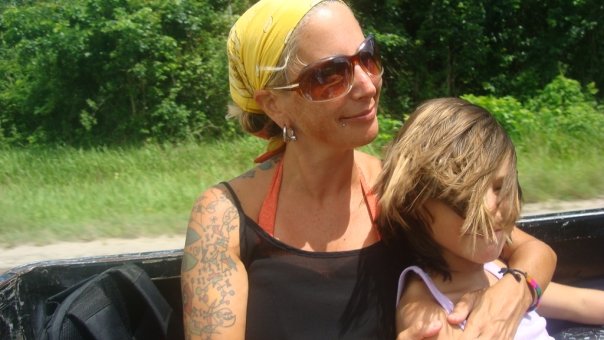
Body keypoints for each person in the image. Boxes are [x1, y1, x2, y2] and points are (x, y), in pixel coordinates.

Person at [180, 1, 556, 339]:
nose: (367, 85)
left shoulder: (399, 186)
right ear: (274, 105)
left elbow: (529, 249)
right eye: (330, 74)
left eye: (368, 57)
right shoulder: (223, 216)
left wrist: (516, 291)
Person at [375, 97, 604, 339]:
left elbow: (582, 303)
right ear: (414, 205)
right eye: (464, 197)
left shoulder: (498, 272)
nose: (490, 208)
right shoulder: (424, 302)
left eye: (500, 187)